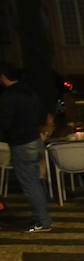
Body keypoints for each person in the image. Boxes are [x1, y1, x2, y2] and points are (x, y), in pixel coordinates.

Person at [0, 64, 51, 231]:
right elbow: (42, 113)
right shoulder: (30, 92)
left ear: (4, 77)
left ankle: (42, 220)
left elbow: (5, 122)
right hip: (35, 139)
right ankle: (42, 216)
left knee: (29, 183)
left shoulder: (8, 96)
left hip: (21, 142)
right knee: (35, 181)